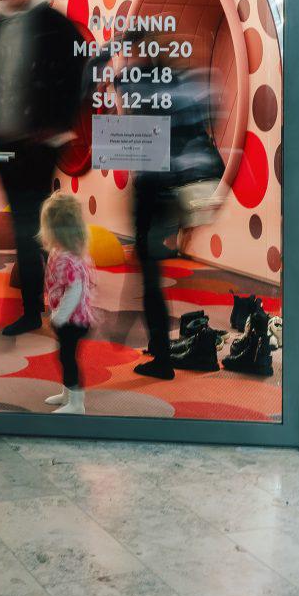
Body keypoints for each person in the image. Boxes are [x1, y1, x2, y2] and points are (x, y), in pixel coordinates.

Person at [0, 0, 86, 335]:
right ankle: (41, 303)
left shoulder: (52, 23)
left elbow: (78, 72)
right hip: (5, 141)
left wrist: (56, 125)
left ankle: (43, 305)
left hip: (37, 143)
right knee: (27, 226)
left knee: (31, 225)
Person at [130, 52, 223, 379]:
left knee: (149, 273)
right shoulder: (187, 80)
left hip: (156, 186)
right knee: (149, 269)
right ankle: (159, 347)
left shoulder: (143, 83)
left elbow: (142, 132)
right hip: (173, 187)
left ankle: (161, 357)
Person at [40, 193, 95, 414]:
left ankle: (77, 403)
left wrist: (59, 317)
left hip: (73, 320)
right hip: (69, 316)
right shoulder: (60, 252)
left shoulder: (67, 258)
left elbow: (75, 290)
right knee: (65, 356)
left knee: (67, 357)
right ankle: (67, 394)